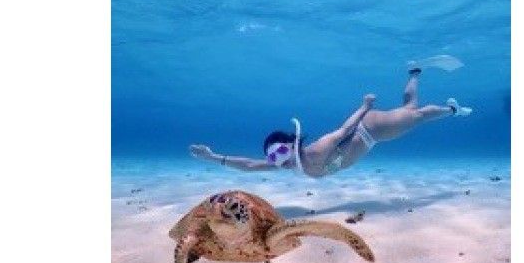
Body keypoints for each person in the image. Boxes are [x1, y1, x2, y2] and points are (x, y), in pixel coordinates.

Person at [188, 68, 472, 178]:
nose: (278, 161)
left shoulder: (315, 151)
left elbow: (345, 130)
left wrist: (365, 106)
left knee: (415, 115)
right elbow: (249, 165)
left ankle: (451, 109)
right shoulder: (289, 164)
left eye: (281, 152)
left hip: (370, 129)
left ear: (293, 145)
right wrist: (213, 157)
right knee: (410, 109)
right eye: (273, 157)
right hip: (367, 137)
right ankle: (415, 73)